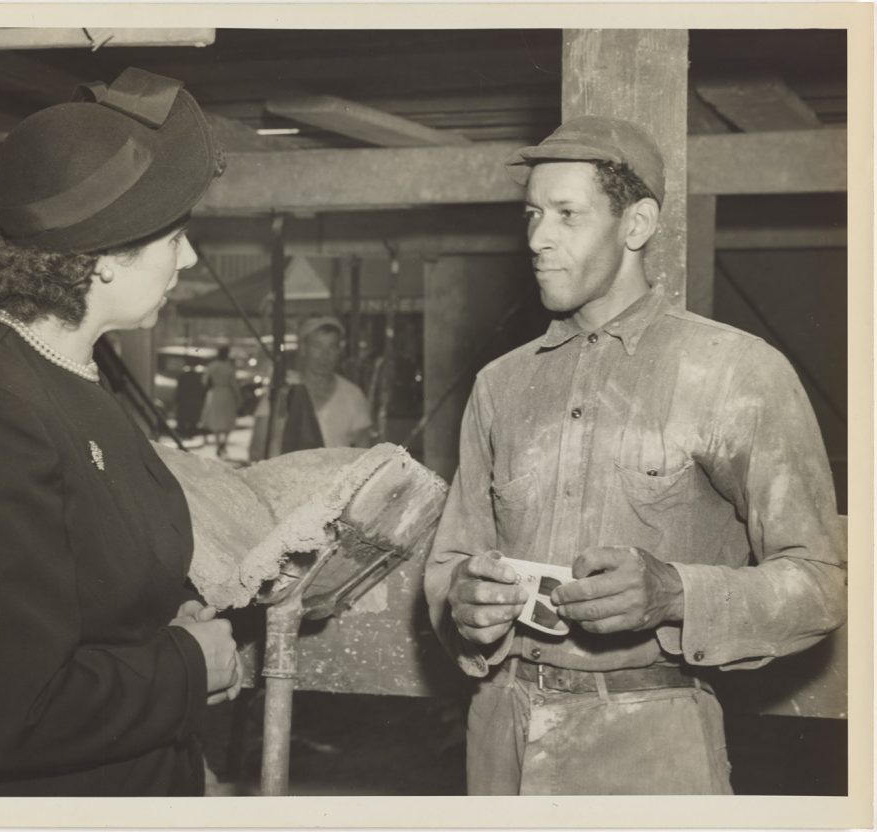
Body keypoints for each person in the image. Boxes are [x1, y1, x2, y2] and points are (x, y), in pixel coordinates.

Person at [423, 115, 846, 795]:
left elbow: (820, 584)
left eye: (567, 214)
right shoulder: (501, 385)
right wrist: (462, 602)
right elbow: (450, 560)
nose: (537, 239)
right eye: (532, 213)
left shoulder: (734, 371)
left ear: (637, 224)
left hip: (651, 741)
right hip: (501, 732)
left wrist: (676, 593)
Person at [0, 67, 240, 797]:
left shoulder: (70, 373)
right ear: (104, 260)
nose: (189, 257)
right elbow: (20, 708)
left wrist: (168, 613)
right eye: (176, 236)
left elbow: (93, 580)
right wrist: (186, 664)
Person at [248, 316, 374, 460]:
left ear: (339, 350)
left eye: (332, 346)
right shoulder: (283, 391)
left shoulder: (353, 395)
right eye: (317, 346)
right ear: (303, 348)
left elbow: (365, 453)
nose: (325, 356)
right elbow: (257, 449)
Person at [199, 344, 241, 456]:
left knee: (216, 418)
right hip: (227, 394)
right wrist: (238, 396)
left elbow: (204, 381)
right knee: (228, 418)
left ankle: (218, 443)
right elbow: (234, 384)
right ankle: (224, 443)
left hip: (215, 393)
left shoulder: (212, 366)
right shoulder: (229, 367)